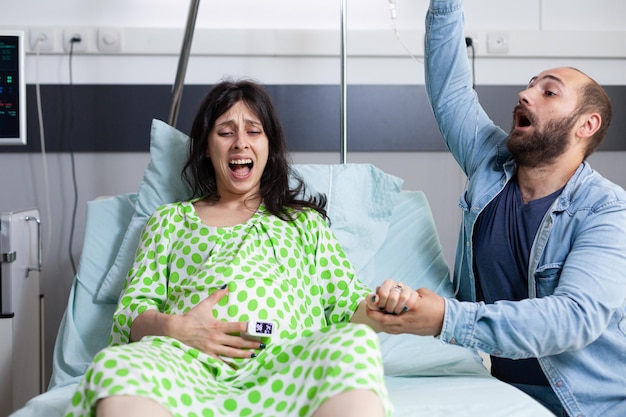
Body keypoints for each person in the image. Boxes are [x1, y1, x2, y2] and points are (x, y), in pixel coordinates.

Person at [62, 80, 419, 417]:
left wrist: (384, 304)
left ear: (269, 146)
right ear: (206, 146)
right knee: (115, 366)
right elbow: (131, 314)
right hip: (186, 362)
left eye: (253, 130)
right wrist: (178, 328)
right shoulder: (169, 221)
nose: (240, 143)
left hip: (288, 365)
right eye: (225, 132)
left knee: (355, 345)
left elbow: (347, 306)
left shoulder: (304, 224)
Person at [368, 1, 626, 417]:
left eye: (549, 91)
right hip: (503, 397)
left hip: (591, 406)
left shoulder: (606, 212)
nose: (525, 94)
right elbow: (450, 91)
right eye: (529, 84)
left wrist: (446, 319)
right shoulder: (490, 162)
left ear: (586, 125)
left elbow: (575, 317)